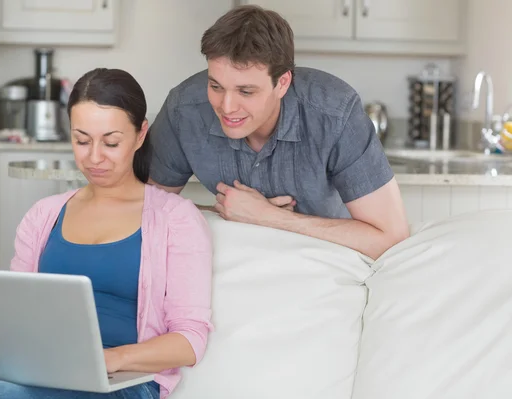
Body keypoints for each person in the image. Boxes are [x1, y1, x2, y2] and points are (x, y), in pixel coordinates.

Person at [0, 68, 213, 399]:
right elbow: (17, 313)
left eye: (111, 142)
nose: (94, 157)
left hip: (125, 383)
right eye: (82, 140)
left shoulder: (176, 219)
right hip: (46, 372)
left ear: (140, 136)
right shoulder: (42, 216)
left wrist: (111, 359)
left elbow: (190, 338)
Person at [148, 5, 409, 260]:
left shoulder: (335, 113)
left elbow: (391, 238)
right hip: (233, 267)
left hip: (328, 263)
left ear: (282, 83)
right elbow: (141, 209)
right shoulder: (184, 109)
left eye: (246, 91)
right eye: (216, 86)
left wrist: (271, 218)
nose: (226, 107)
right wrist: (226, 213)